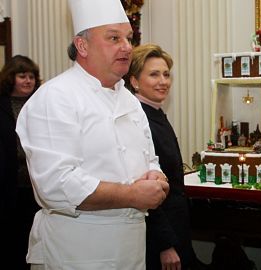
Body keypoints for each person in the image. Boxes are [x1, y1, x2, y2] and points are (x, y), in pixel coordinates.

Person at [15, 0, 169, 269]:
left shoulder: (129, 100)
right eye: (114, 37)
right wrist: (132, 195)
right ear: (82, 45)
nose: (126, 47)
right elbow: (56, 184)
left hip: (131, 248)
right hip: (76, 250)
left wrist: (156, 176)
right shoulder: (56, 97)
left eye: (128, 38)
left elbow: (149, 158)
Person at [125, 44, 205, 270]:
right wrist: (165, 245)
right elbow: (145, 186)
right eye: (154, 74)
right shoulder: (140, 119)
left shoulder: (155, 113)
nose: (163, 81)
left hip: (176, 225)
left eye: (166, 74)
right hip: (161, 236)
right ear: (134, 81)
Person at [0, 55, 41, 270]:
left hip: (37, 187)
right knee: (11, 242)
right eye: (22, 76)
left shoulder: (40, 104)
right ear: (10, 78)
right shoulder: (2, 106)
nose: (28, 81)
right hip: (9, 186)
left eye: (31, 76)